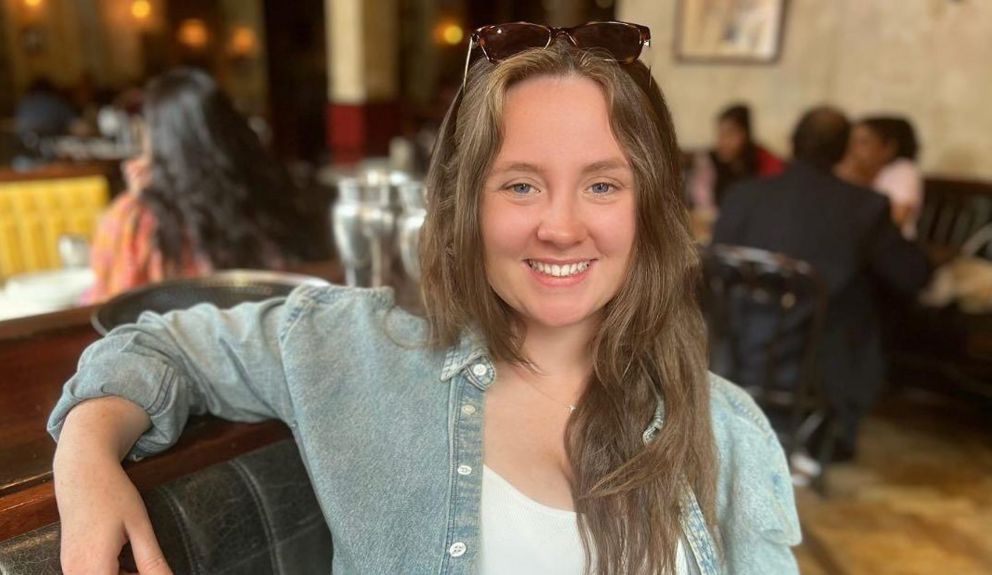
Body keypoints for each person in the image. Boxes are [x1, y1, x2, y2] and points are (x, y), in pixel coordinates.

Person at [49, 24, 800, 575]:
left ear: (650, 207)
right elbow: (156, 346)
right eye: (520, 184)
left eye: (603, 184)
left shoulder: (727, 429)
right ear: (464, 203)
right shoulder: (360, 349)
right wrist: (86, 463)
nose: (562, 225)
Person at [713, 106, 930, 460]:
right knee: (863, 302)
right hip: (814, 367)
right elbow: (912, 275)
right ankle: (830, 434)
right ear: (844, 151)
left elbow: (718, 263)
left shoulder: (743, 196)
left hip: (731, 352)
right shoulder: (864, 206)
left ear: (791, 143)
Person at [84, 68, 325, 302]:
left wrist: (136, 200)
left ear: (156, 137)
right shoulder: (273, 196)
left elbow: (109, 302)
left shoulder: (135, 220)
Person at [837, 116, 924, 239]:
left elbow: (897, 219)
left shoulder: (903, 170)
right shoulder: (858, 171)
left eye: (864, 142)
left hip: (889, 247)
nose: (854, 149)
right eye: (852, 142)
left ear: (889, 148)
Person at [689, 103, 785, 214]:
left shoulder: (765, 161)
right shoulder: (710, 162)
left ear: (745, 134)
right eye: (720, 135)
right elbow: (702, 206)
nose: (723, 142)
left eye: (730, 134)